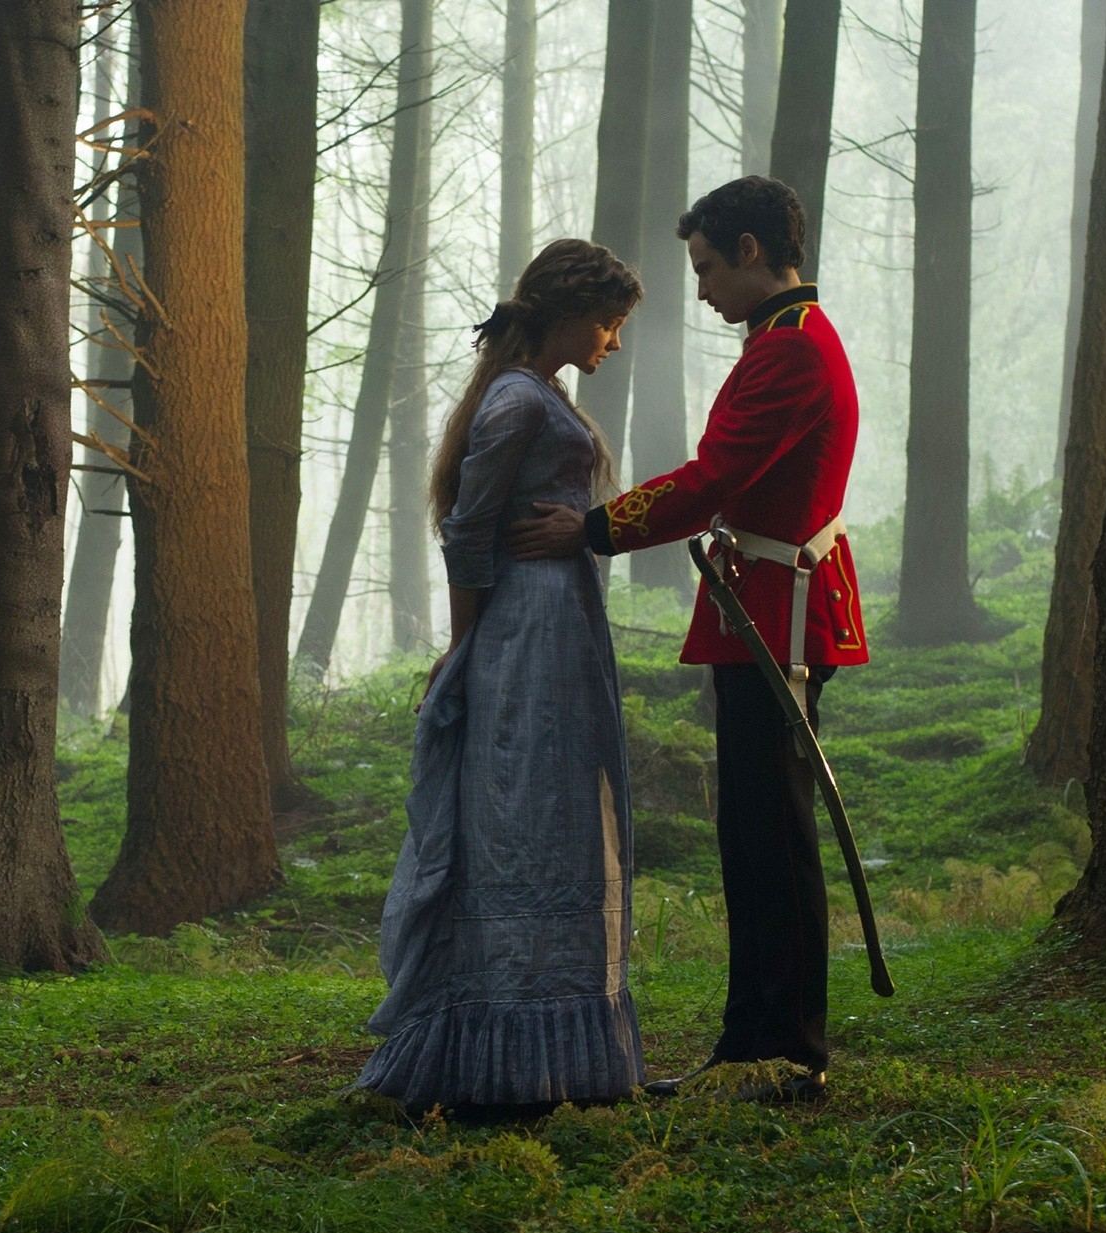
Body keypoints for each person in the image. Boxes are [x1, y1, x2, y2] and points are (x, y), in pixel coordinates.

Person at [507, 177, 869, 1105]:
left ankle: (786, 1051)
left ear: (751, 252)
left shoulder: (790, 352)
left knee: (772, 837)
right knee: (751, 832)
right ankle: (753, 1044)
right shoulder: (780, 342)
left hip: (780, 614)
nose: (701, 288)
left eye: (708, 266)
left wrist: (593, 530)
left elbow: (714, 478)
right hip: (763, 606)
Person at [355, 238, 646, 1117]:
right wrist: (466, 646)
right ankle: (506, 1045)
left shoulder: (536, 395)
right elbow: (467, 528)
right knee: (523, 815)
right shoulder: (517, 401)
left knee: (559, 812)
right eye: (607, 323)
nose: (614, 343)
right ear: (565, 313)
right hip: (524, 632)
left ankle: (564, 1048)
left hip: (558, 626)